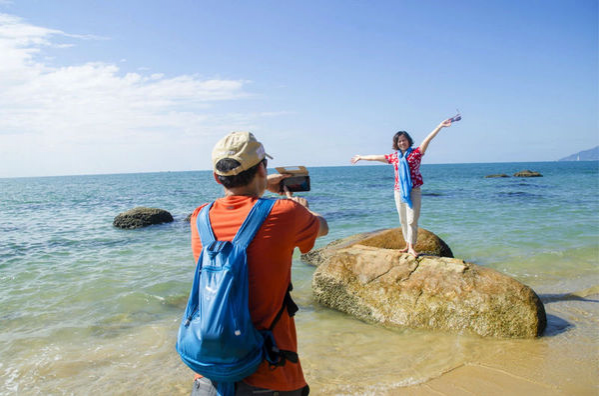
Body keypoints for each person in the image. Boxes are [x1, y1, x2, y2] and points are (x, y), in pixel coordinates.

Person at [188, 131, 328, 396]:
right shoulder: (285, 212)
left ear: (217, 177)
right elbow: (323, 227)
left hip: (210, 373)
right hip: (271, 371)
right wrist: (302, 208)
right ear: (263, 168)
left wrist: (261, 183)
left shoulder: (200, 217)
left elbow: (236, 207)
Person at [351, 119, 453, 257]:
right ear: (396, 144)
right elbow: (375, 157)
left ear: (409, 141)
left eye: (404, 140)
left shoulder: (417, 153)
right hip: (399, 191)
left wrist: (439, 126)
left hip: (414, 190)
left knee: (412, 219)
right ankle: (407, 245)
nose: (402, 143)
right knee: (403, 219)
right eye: (399, 141)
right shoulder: (394, 157)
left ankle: (411, 247)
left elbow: (428, 139)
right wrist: (361, 157)